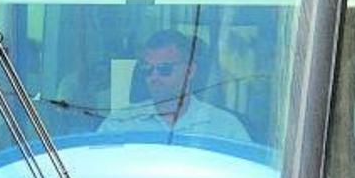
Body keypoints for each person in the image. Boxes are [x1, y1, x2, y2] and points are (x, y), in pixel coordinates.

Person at [98, 30, 249, 142]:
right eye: (147, 69)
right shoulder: (119, 124)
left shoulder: (226, 127)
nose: (154, 77)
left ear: (189, 71)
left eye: (165, 69)